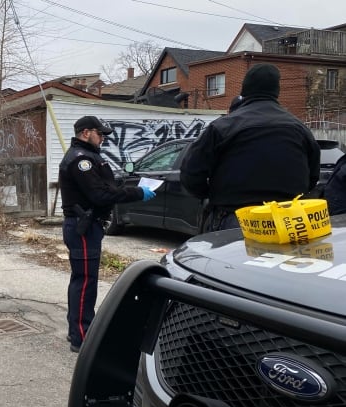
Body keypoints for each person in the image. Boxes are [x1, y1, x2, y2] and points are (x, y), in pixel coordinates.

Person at [180, 63, 320, 232]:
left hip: (235, 217)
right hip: (287, 221)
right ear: (277, 91)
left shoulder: (223, 127)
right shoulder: (300, 129)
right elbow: (312, 177)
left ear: (244, 90)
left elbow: (191, 174)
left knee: (229, 259)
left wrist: (213, 195)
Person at [59, 115, 156, 352]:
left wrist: (128, 189)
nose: (102, 138)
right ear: (85, 133)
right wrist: (136, 193)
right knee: (85, 282)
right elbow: (100, 195)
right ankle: (81, 337)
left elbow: (107, 188)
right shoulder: (81, 160)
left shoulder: (90, 157)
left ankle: (78, 329)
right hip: (83, 226)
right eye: (99, 133)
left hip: (89, 226)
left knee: (82, 279)